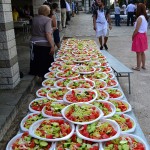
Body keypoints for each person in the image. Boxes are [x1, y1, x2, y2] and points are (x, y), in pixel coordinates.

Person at [29, 5, 55, 80]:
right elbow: (47, 33)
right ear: (46, 11)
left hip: (33, 42)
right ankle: (46, 76)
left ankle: (37, 73)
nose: (50, 11)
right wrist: (52, 45)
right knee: (45, 60)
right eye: (49, 10)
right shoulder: (47, 19)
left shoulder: (34, 19)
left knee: (36, 58)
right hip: (43, 43)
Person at [131, 3, 148, 71]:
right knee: (142, 52)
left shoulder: (140, 18)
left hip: (139, 36)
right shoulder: (144, 17)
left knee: (138, 53)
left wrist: (133, 36)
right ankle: (143, 65)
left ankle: (138, 67)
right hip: (143, 35)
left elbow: (137, 29)